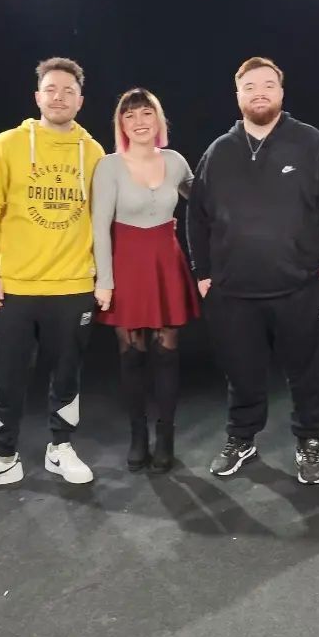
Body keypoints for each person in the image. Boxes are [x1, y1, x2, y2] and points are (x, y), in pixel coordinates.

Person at [187, 56, 319, 484]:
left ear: (281, 92)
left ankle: (309, 440)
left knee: (308, 372)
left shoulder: (311, 143)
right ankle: (242, 438)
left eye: (268, 85)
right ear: (237, 95)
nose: (259, 92)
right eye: (250, 86)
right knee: (242, 373)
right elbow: (196, 216)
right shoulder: (218, 152)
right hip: (234, 292)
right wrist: (203, 273)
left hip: (301, 287)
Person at [0, 57, 105, 494]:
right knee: (6, 377)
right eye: (51, 89)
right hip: (13, 287)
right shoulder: (8, 144)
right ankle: (4, 458)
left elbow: (104, 218)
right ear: (38, 96)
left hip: (73, 285)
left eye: (68, 91)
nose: (59, 97)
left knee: (67, 375)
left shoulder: (94, 153)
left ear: (80, 101)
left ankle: (61, 448)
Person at [91, 88, 200, 474]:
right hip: (126, 265)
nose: (139, 121)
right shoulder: (109, 166)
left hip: (165, 262)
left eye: (146, 113)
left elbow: (203, 199)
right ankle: (138, 437)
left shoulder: (174, 161)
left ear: (159, 119)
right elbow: (99, 226)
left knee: (167, 353)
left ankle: (165, 438)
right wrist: (104, 281)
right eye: (130, 115)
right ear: (121, 124)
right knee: (132, 353)